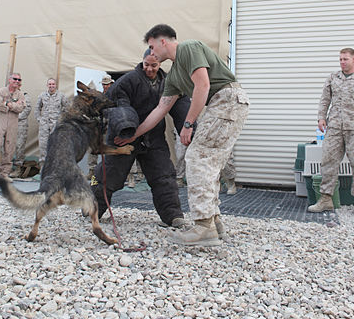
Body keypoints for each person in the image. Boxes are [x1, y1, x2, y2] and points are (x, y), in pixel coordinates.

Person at [115, 24, 250, 247]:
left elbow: (203, 85)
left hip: (227, 100)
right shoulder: (174, 77)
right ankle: (214, 223)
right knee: (209, 162)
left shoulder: (188, 48)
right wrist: (134, 135)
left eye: (151, 46)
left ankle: (203, 227)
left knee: (197, 158)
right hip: (224, 104)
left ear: (162, 41)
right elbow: (160, 110)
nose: (150, 53)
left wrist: (188, 123)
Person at [91, 49, 189, 228]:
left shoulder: (169, 83)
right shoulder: (126, 81)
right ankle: (92, 210)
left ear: (160, 64)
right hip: (123, 136)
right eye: (146, 65)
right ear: (142, 62)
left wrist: (188, 126)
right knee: (107, 175)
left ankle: (173, 216)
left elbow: (181, 104)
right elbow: (117, 104)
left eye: (154, 65)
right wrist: (126, 128)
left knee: (164, 176)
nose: (149, 69)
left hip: (153, 137)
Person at [308, 48, 354, 214]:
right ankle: (326, 199)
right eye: (340, 59)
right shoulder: (333, 78)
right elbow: (325, 99)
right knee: (328, 161)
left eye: (345, 59)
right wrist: (321, 118)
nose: (342, 62)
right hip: (335, 127)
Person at [34, 78, 68, 170]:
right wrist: (39, 119)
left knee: (56, 146)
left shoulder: (61, 96)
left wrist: (62, 120)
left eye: (53, 84)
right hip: (44, 125)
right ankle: (43, 168)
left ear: (56, 85)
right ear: (47, 85)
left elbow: (66, 108)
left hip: (56, 125)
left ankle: (55, 168)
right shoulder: (42, 96)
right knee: (43, 146)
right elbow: (37, 108)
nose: (51, 86)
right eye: (49, 84)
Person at [87, 75, 115, 181]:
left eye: (107, 84)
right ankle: (92, 171)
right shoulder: (99, 97)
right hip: (98, 127)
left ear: (111, 84)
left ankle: (108, 173)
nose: (105, 86)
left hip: (110, 128)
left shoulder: (114, 96)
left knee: (108, 151)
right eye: (103, 84)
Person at [10, 83, 32, 178]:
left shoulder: (25, 96)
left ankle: (18, 169)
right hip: (9, 124)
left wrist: (15, 117)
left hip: (20, 124)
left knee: (19, 146)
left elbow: (27, 110)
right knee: (7, 145)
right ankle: (6, 168)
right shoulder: (8, 95)